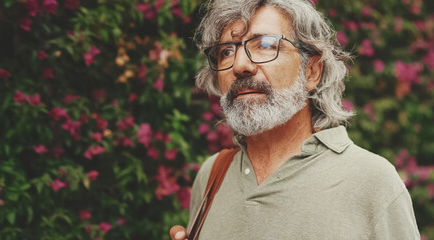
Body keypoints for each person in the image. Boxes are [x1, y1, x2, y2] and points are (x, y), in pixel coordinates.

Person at [170, 0, 420, 239]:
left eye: (265, 44)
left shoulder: (371, 180)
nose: (240, 64)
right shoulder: (212, 175)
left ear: (311, 72)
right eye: (226, 51)